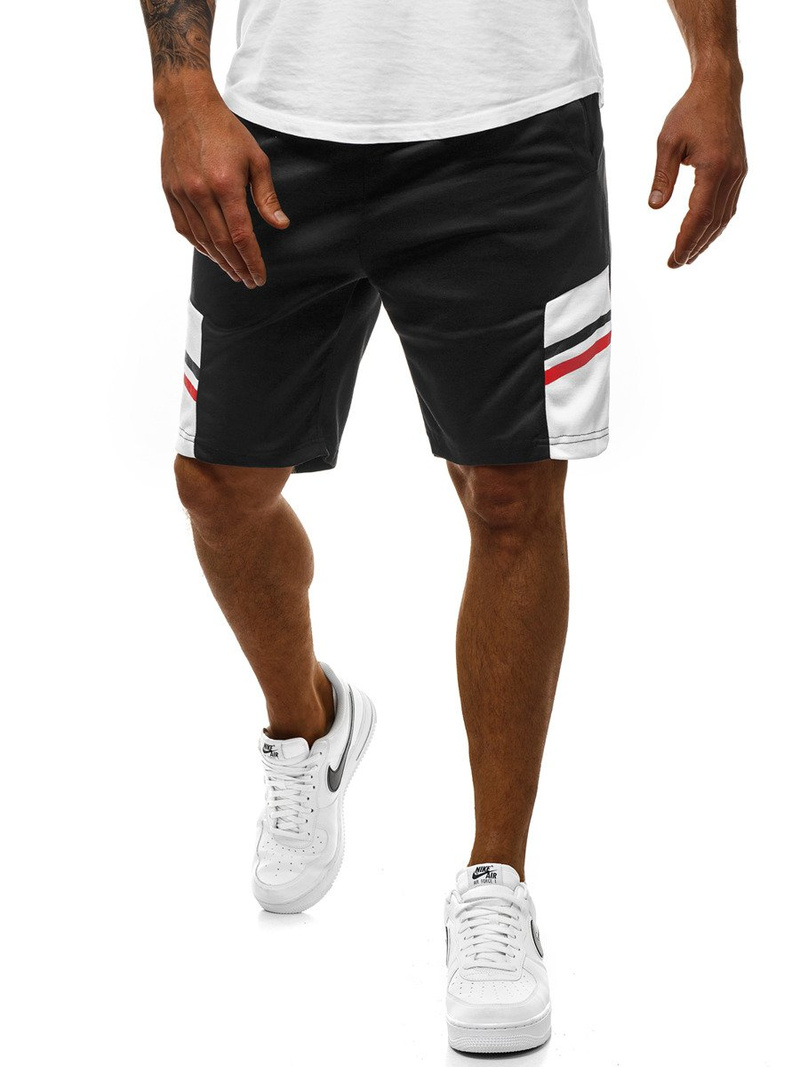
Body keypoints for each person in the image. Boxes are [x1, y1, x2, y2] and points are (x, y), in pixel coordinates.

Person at [139, 0, 746, 1053]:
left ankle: (495, 879)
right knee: (219, 485)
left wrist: (715, 68)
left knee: (511, 494)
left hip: (513, 124)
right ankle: (309, 724)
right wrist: (181, 89)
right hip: (282, 126)